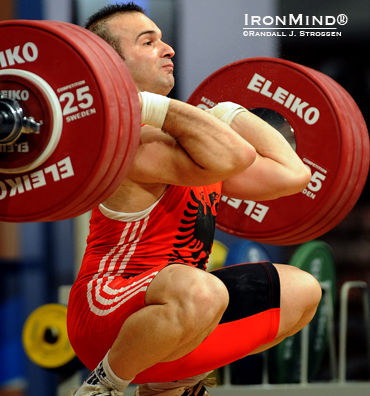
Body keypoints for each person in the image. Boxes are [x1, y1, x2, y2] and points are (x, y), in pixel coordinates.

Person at [66, 3, 321, 396]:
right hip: (107, 312)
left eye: (163, 39)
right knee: (202, 290)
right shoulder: (129, 141)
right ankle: (104, 386)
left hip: (179, 312)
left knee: (302, 291)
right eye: (148, 42)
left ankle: (170, 383)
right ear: (111, 64)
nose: (167, 49)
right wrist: (157, 108)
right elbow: (234, 157)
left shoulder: (190, 152)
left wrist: (232, 111)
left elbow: (293, 176)